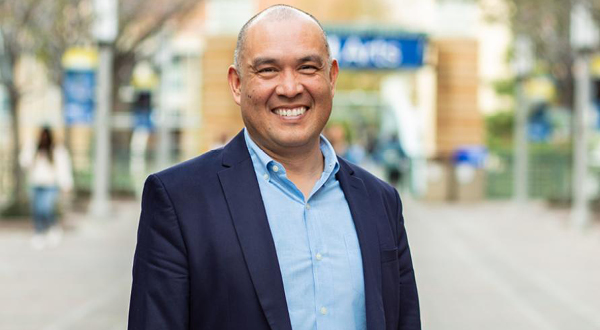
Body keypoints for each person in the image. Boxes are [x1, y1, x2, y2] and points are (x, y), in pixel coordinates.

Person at [128, 5, 420, 330]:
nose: (290, 88)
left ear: (332, 77)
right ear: (237, 84)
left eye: (307, 67)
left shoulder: (380, 201)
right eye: (268, 70)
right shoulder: (180, 200)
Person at [19, 126, 73, 249]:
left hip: (50, 185)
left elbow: (63, 167)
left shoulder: (57, 149)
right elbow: (24, 161)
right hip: (36, 184)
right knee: (37, 210)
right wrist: (31, 148)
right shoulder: (34, 148)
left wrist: (66, 183)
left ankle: (53, 227)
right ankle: (39, 232)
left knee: (46, 208)